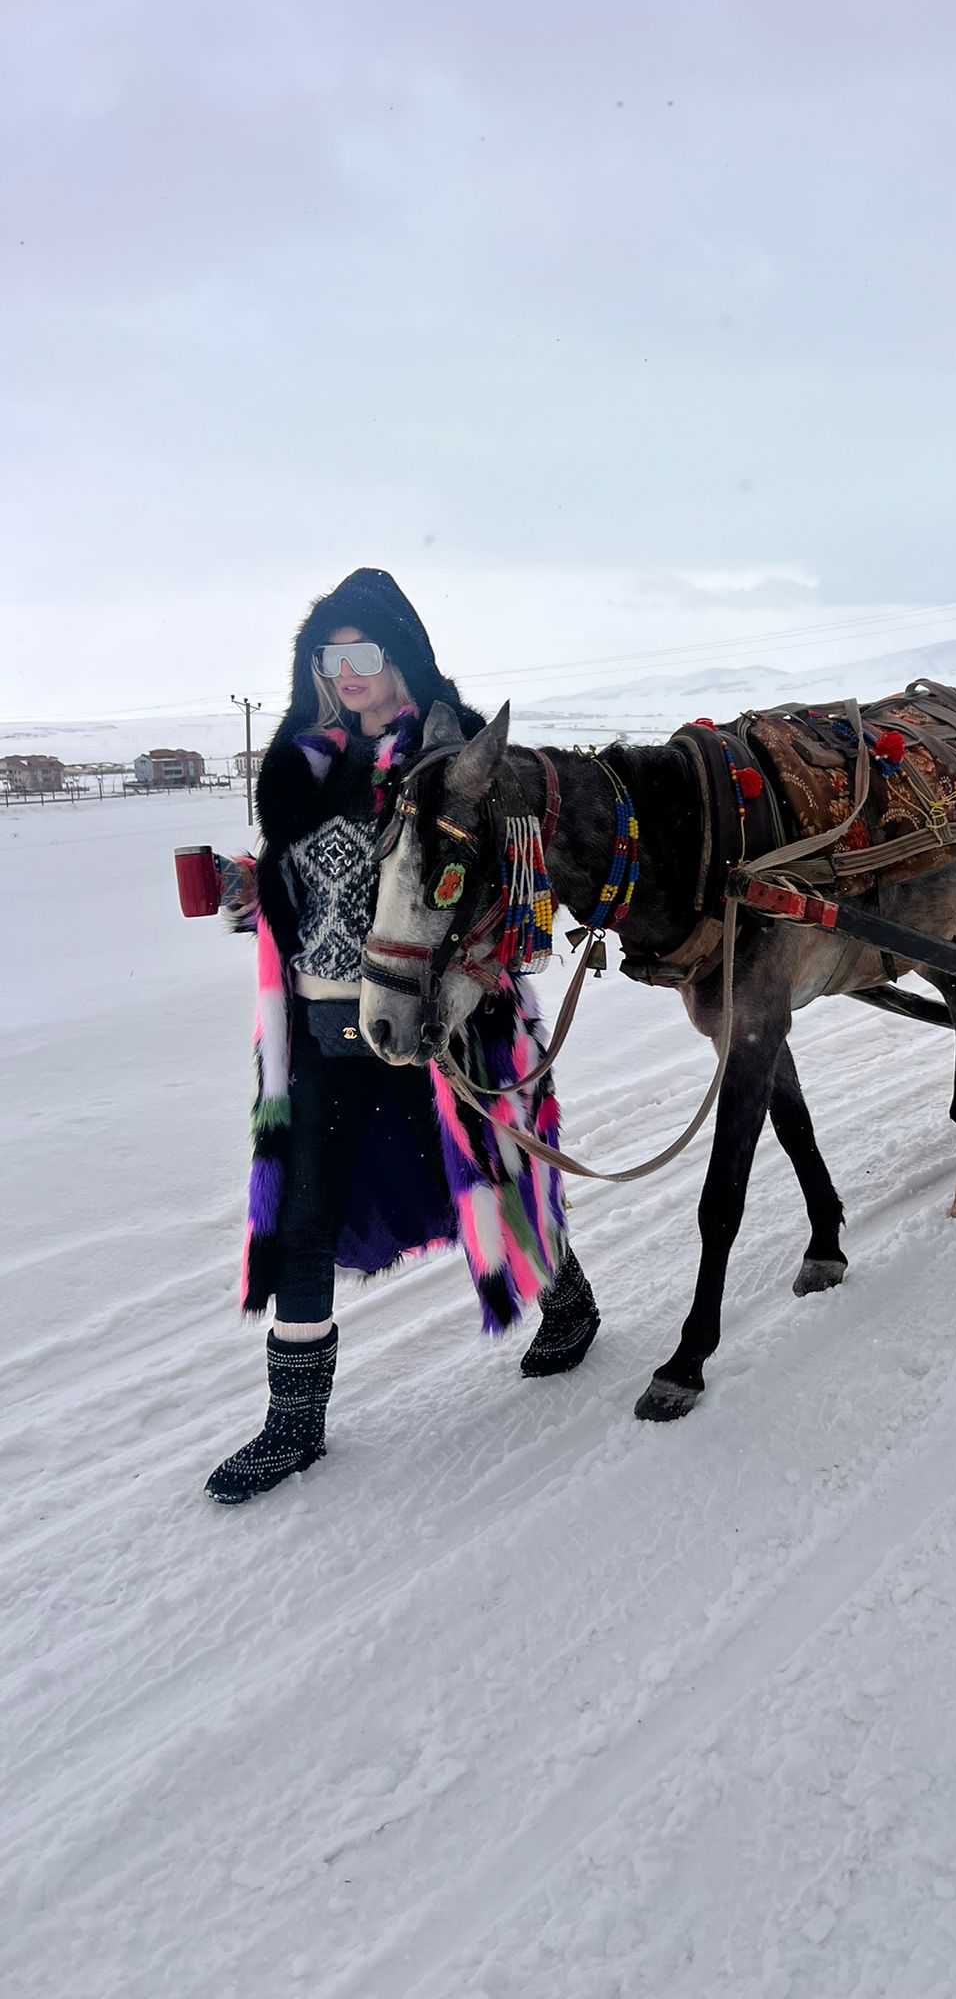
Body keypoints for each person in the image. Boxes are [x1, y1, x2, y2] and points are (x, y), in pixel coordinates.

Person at [206, 569, 600, 1504]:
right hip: (321, 1026)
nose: (344, 672)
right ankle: (293, 1425)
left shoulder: (454, 763)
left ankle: (568, 1300)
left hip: (439, 1022)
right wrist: (248, 892)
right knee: (304, 1210)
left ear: (401, 656)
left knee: (490, 1175)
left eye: (363, 652)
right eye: (328, 655)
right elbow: (299, 893)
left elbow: (514, 902)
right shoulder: (300, 766)